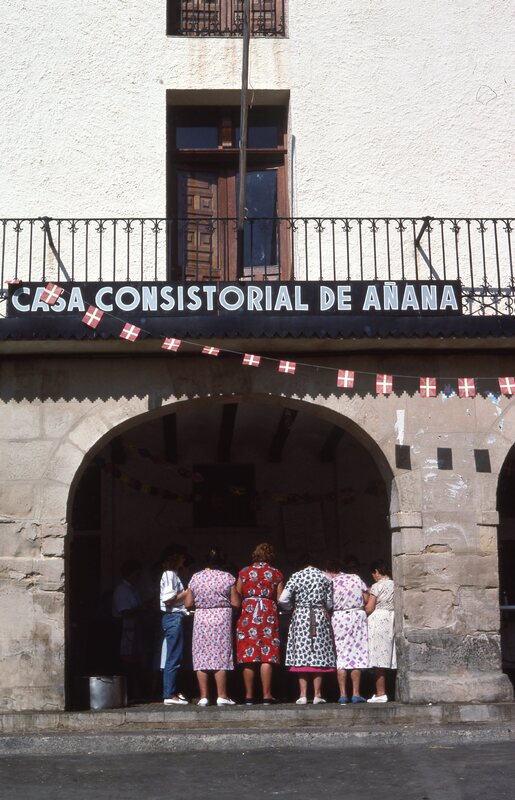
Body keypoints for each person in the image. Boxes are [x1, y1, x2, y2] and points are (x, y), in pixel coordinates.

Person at [185, 547, 240, 706]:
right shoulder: (227, 577)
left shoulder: (196, 577)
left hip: (202, 618)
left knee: (201, 656)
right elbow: (236, 603)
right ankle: (222, 696)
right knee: (221, 655)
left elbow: (188, 603)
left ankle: (203, 696)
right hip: (221, 618)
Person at [279, 555, 335, 704]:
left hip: (301, 616)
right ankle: (317, 694)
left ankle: (302, 695)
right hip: (319, 615)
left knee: (301, 653)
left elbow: (283, 599)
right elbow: (330, 603)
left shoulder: (296, 576)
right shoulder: (325, 577)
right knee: (318, 653)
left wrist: (292, 608)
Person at [236, 542, 284, 704]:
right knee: (267, 655)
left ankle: (249, 695)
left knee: (248, 655)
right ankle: (267, 695)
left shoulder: (244, 572)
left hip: (248, 614)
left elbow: (238, 594)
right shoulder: (276, 573)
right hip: (268, 613)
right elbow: (280, 599)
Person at [325, 558, 369, 704]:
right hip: (357, 617)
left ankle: (343, 694)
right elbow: (366, 597)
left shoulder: (331, 582)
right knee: (357, 655)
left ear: (330, 571)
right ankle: (356, 694)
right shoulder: (356, 578)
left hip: (339, 618)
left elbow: (328, 603)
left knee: (341, 656)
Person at [160, 544, 189, 705]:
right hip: (173, 617)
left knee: (175, 655)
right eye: (182, 557)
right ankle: (169, 694)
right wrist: (188, 592)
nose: (184, 560)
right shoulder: (170, 574)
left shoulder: (173, 575)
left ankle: (172, 691)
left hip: (175, 617)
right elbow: (168, 600)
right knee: (174, 656)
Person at [112, 559, 144, 702]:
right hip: (125, 630)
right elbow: (124, 611)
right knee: (127, 663)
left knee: (135, 662)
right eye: (136, 574)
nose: (138, 577)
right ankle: (128, 692)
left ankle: (135, 692)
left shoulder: (133, 589)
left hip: (134, 630)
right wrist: (140, 609)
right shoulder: (122, 590)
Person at [365, 559, 397, 703]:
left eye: (373, 573)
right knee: (389, 655)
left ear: (377, 572)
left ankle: (380, 693)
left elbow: (370, 608)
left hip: (379, 620)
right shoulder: (395, 584)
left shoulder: (377, 586)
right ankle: (387, 690)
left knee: (378, 657)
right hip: (391, 618)